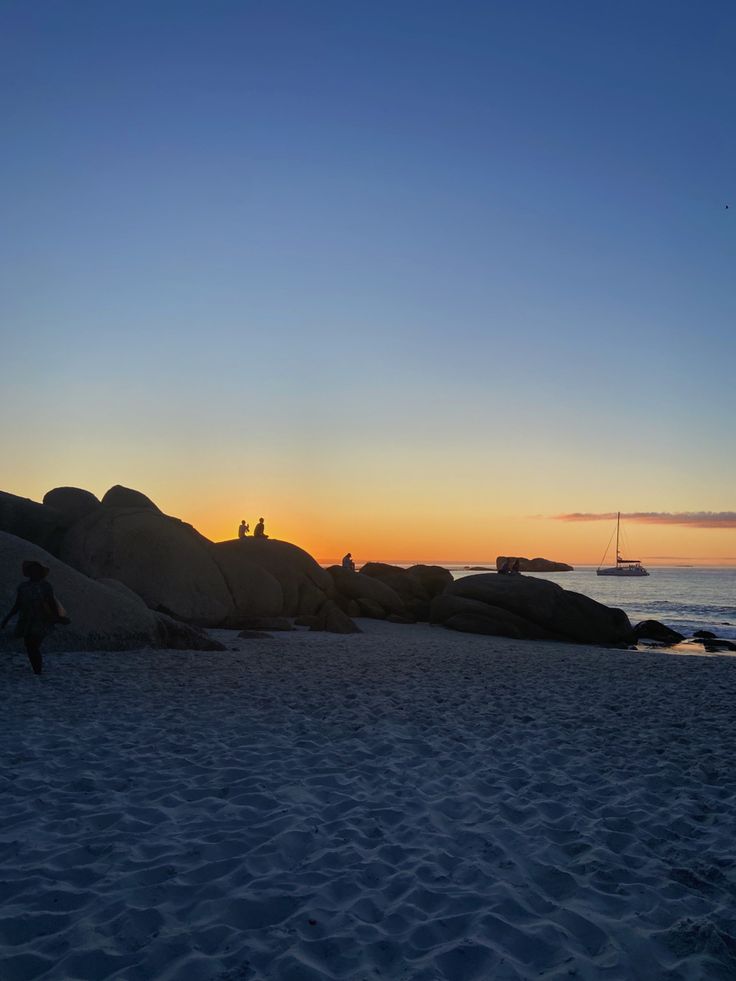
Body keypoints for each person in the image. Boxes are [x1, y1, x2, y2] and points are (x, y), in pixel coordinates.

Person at [1, 560, 63, 675]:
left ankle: (38, 671)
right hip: (27, 619)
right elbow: (18, 604)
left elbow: (52, 602)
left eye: (36, 570)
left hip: (41, 619)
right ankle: (37, 670)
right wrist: (7, 618)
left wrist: (57, 616)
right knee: (29, 645)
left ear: (40, 572)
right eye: (32, 570)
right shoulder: (23, 587)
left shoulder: (45, 586)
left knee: (33, 645)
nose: (34, 572)